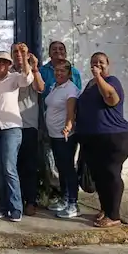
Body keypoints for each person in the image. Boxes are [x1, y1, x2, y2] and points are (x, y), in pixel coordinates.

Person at [71, 52, 128, 228]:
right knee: (99, 177)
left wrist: (99, 77)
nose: (97, 65)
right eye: (93, 62)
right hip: (94, 139)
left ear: (108, 64)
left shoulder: (112, 81)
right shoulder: (90, 85)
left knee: (111, 173)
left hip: (115, 137)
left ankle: (114, 215)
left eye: (101, 62)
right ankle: (105, 209)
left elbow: (111, 99)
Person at [0, 39, 35, 222]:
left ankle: (15, 207)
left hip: (11, 129)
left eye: (4, 62)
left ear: (9, 65)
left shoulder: (14, 78)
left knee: (8, 167)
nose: (1, 65)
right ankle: (2, 205)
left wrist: (25, 56)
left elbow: (28, 79)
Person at [45, 61, 81, 219]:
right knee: (61, 169)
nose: (59, 73)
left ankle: (73, 203)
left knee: (68, 170)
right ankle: (64, 199)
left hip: (64, 136)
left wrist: (67, 127)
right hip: (54, 135)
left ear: (69, 73)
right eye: (57, 70)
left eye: (62, 71)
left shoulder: (71, 89)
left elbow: (71, 112)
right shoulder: (55, 87)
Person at [14, 43, 46, 216]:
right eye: (15, 52)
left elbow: (41, 88)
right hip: (11, 126)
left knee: (30, 166)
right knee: (14, 166)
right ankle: (16, 200)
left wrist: (34, 68)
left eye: (22, 52)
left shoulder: (33, 73)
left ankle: (31, 201)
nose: (18, 55)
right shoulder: (9, 72)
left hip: (28, 126)